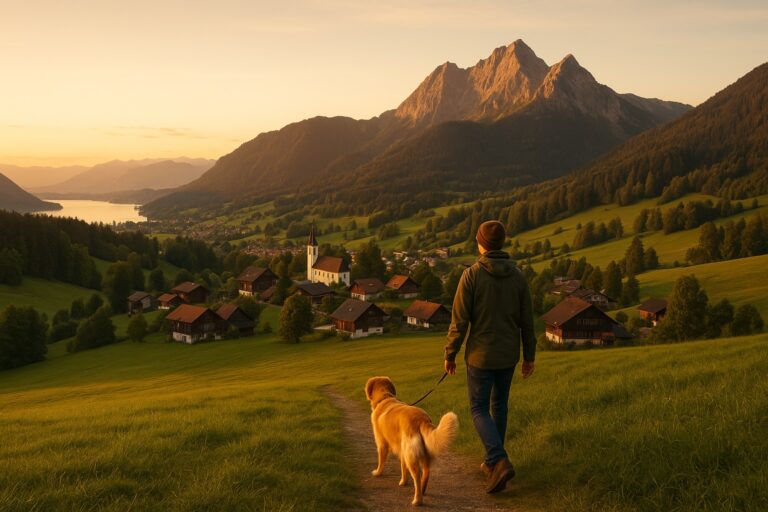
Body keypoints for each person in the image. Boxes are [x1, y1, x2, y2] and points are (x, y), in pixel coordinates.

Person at [443, 220, 536, 494]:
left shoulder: (471, 276)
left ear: (481, 243)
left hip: (480, 357)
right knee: (500, 406)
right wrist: (529, 355)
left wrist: (450, 353)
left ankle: (498, 459)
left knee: (479, 409)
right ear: (502, 243)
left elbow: (459, 322)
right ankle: (493, 463)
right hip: (508, 356)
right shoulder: (518, 277)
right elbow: (527, 322)